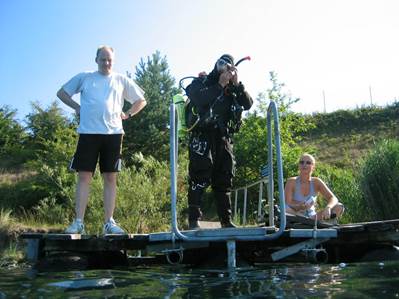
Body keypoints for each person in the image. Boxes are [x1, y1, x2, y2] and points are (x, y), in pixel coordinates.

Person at [57, 45, 146, 234]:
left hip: (113, 134)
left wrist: (128, 114)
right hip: (88, 133)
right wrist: (77, 107)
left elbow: (141, 100)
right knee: (84, 176)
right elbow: (62, 93)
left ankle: (109, 223)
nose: (106, 63)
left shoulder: (121, 79)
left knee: (110, 177)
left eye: (109, 60)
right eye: (103, 59)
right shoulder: (85, 77)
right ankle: (78, 222)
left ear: (113, 61)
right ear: (96, 60)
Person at [185, 54, 253, 229]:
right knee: (198, 177)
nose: (224, 67)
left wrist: (237, 84)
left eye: (228, 65)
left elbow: (247, 104)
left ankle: (226, 220)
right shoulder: (201, 82)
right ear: (215, 65)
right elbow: (199, 98)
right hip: (201, 136)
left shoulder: (234, 89)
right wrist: (220, 84)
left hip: (223, 139)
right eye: (221, 63)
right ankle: (193, 220)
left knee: (224, 179)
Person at [284, 153, 344, 222]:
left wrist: (328, 208)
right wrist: (300, 206)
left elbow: (333, 198)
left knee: (339, 206)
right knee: (285, 209)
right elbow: (288, 203)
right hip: (295, 214)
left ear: (313, 167)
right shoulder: (291, 181)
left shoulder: (316, 182)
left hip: (312, 216)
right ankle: (307, 222)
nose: (304, 165)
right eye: (302, 162)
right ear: (299, 166)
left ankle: (310, 221)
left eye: (308, 163)